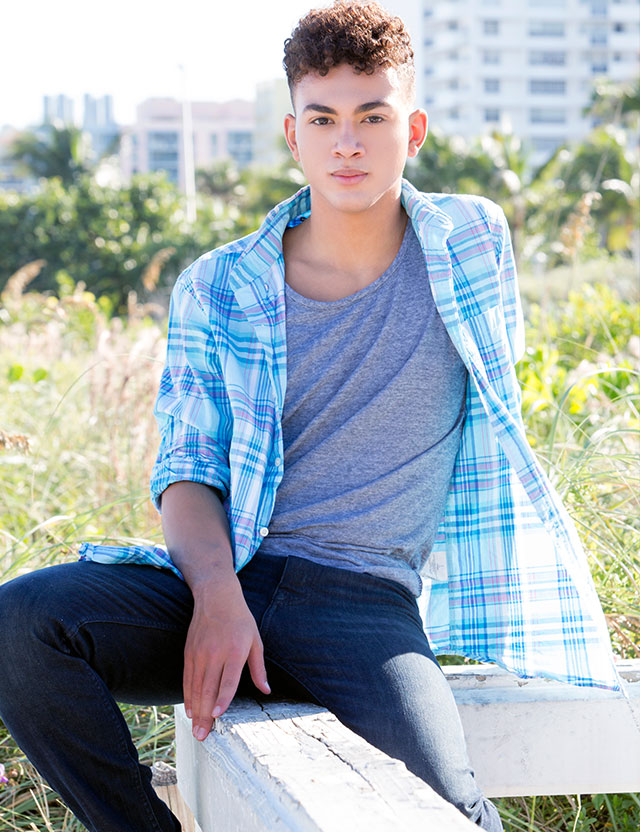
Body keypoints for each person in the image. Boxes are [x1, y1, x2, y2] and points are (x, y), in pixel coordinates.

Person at [0, 3, 620, 831]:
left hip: (363, 606)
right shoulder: (220, 285)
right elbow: (187, 469)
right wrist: (217, 596)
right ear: (294, 136)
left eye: (373, 117)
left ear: (414, 130)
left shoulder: (472, 242)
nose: (348, 143)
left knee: (451, 813)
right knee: (20, 625)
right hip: (229, 578)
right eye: (323, 120)